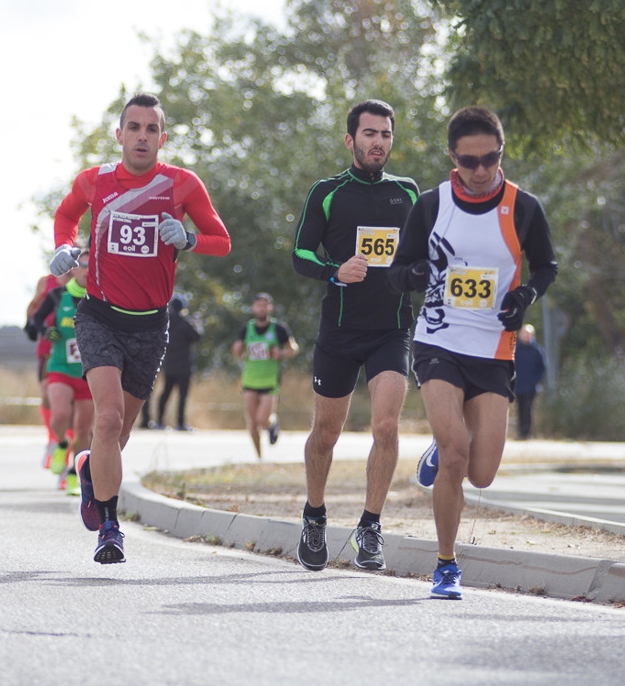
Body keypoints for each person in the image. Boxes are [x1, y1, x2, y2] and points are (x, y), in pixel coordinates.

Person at [50, 92, 231, 564]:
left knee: (118, 436)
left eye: (152, 129)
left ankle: (90, 466)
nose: (143, 137)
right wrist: (65, 248)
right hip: (99, 316)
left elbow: (222, 242)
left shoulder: (182, 185)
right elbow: (66, 215)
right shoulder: (94, 182)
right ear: (120, 135)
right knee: (106, 420)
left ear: (162, 138)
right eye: (135, 127)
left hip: (151, 327)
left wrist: (188, 238)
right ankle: (110, 528)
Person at [387, 106, 557, 599]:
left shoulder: (524, 207)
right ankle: (445, 565)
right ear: (452, 156)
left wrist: (525, 296)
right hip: (439, 339)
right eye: (470, 160)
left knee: (480, 475)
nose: (481, 170)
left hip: (494, 347)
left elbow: (546, 266)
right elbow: (397, 272)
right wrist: (414, 276)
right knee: (458, 455)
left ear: (501, 152)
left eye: (491, 158)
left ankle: (442, 447)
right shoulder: (431, 205)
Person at [291, 99, 420, 572]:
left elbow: (421, 256)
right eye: (369, 134)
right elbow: (300, 254)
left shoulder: (406, 193)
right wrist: (334, 271)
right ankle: (315, 515)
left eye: (385, 134)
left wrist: (415, 273)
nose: (378, 142)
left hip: (390, 330)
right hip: (340, 331)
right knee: (326, 433)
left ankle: (370, 526)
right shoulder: (327, 192)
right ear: (351, 140)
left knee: (386, 426)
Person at [33, 249, 93, 494]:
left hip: (89, 373)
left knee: (83, 429)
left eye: (93, 265)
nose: (88, 270)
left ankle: (73, 475)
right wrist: (46, 332)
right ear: (74, 269)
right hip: (60, 367)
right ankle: (60, 443)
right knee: (59, 416)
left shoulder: (101, 299)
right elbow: (36, 318)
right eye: (84, 264)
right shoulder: (58, 295)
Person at [231, 293, 298, 457]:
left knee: (262, 419)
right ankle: (259, 457)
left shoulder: (278, 328)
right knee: (252, 423)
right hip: (250, 380)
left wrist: (280, 353)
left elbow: (293, 349)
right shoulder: (247, 328)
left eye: (265, 305)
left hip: (270, 380)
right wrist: (239, 351)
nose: (261, 308)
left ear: (270, 307)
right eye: (258, 305)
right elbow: (236, 349)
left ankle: (272, 422)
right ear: (253, 308)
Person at [24, 271, 65, 466]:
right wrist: (33, 325)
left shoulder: (83, 281)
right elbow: (34, 307)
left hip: (72, 350)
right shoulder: (46, 282)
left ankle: (67, 446)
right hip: (48, 348)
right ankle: (52, 439)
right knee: (47, 397)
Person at [153, 295, 203, 431]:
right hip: (184, 366)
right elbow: (196, 337)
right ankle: (180, 423)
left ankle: (159, 421)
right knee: (182, 396)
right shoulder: (184, 322)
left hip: (169, 364)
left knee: (165, 394)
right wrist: (198, 324)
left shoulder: (165, 322)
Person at [513, 324, 547, 440]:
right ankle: (520, 433)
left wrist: (535, 381)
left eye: (528, 334)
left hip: (531, 387)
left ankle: (527, 433)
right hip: (518, 386)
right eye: (524, 333)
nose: (526, 336)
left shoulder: (537, 351)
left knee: (528, 409)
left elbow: (542, 369)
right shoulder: (516, 350)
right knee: (520, 409)